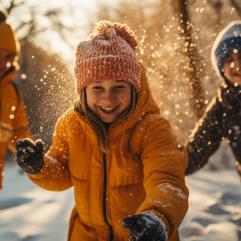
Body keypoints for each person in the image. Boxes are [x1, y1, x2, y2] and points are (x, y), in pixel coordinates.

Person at [15, 20, 188, 241]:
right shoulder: (71, 124)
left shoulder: (152, 129)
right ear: (83, 91)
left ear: (134, 88)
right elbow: (62, 173)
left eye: (119, 87)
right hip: (86, 234)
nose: (108, 98)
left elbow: (167, 181)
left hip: (141, 235)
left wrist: (157, 216)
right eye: (97, 87)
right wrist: (39, 167)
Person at [186, 21, 241, 177]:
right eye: (229, 59)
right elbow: (193, 154)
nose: (236, 65)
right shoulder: (225, 104)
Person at [0, 8, 32, 189]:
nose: (4, 64)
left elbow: (19, 130)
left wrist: (27, 150)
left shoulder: (11, 93)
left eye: (9, 57)